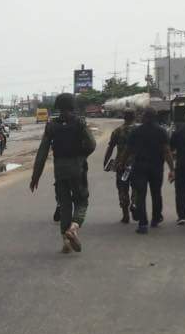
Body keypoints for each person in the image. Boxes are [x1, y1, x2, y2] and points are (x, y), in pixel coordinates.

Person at [30, 93, 96, 253]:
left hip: (60, 171)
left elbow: (42, 153)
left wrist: (35, 176)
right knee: (82, 201)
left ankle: (66, 242)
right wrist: (81, 155)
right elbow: (92, 144)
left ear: (57, 107)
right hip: (77, 169)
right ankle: (73, 228)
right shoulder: (80, 123)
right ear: (73, 106)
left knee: (65, 204)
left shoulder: (51, 126)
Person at [119, 107, 175, 234]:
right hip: (156, 167)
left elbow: (127, 150)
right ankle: (155, 218)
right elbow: (167, 151)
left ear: (144, 117)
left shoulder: (136, 131)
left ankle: (143, 224)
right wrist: (172, 168)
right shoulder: (161, 131)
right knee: (156, 193)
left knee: (140, 195)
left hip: (139, 167)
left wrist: (122, 163)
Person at [102, 109, 137, 223]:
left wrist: (106, 161)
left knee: (122, 189)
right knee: (136, 187)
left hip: (121, 164)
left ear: (124, 117)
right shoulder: (139, 130)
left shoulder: (117, 131)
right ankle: (135, 203)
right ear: (134, 117)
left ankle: (125, 215)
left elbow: (110, 147)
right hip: (136, 164)